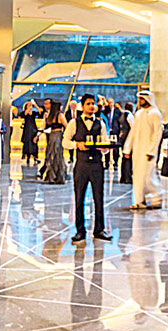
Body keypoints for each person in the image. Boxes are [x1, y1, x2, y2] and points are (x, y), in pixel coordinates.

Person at [63, 94, 113, 245]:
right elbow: (65, 141)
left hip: (97, 165)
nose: (92, 106)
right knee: (79, 198)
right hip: (82, 165)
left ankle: (99, 230)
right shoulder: (74, 123)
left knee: (99, 198)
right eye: (89, 104)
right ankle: (80, 231)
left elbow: (106, 143)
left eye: (93, 104)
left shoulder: (101, 123)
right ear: (82, 106)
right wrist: (76, 145)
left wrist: (104, 148)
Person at [123, 91, 164, 210]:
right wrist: (127, 148)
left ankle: (157, 197)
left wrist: (151, 151)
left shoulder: (155, 113)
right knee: (137, 176)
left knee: (148, 176)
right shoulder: (139, 114)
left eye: (141, 99)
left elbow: (157, 134)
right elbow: (133, 132)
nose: (140, 101)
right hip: (137, 150)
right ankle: (139, 201)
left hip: (148, 152)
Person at [40, 100, 67, 185]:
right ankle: (59, 177)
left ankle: (51, 176)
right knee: (58, 155)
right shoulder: (60, 115)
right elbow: (66, 126)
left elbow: (45, 126)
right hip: (58, 135)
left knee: (51, 155)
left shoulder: (50, 116)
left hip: (51, 135)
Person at [102, 97, 122, 168]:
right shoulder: (104, 112)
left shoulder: (118, 112)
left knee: (115, 148)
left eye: (111, 102)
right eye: (109, 103)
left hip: (115, 131)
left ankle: (115, 163)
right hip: (107, 131)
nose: (110, 104)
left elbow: (120, 122)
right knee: (106, 147)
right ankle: (107, 163)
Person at [118, 102, 134, 184]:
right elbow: (133, 128)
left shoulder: (122, 115)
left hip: (122, 139)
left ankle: (123, 177)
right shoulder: (130, 116)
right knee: (128, 159)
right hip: (128, 139)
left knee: (124, 158)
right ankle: (127, 177)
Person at [20, 101, 39, 166]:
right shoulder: (24, 113)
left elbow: (40, 112)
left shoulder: (33, 113)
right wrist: (28, 109)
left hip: (33, 129)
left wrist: (35, 105)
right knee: (27, 143)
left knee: (34, 143)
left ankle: (35, 157)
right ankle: (27, 156)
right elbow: (23, 115)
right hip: (27, 129)